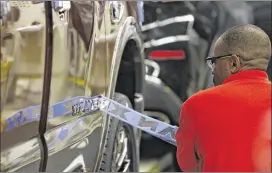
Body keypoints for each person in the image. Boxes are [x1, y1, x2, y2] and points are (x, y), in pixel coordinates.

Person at [175, 24, 271, 172]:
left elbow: (188, 165)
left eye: (214, 61)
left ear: (234, 63)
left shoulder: (197, 104)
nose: (212, 69)